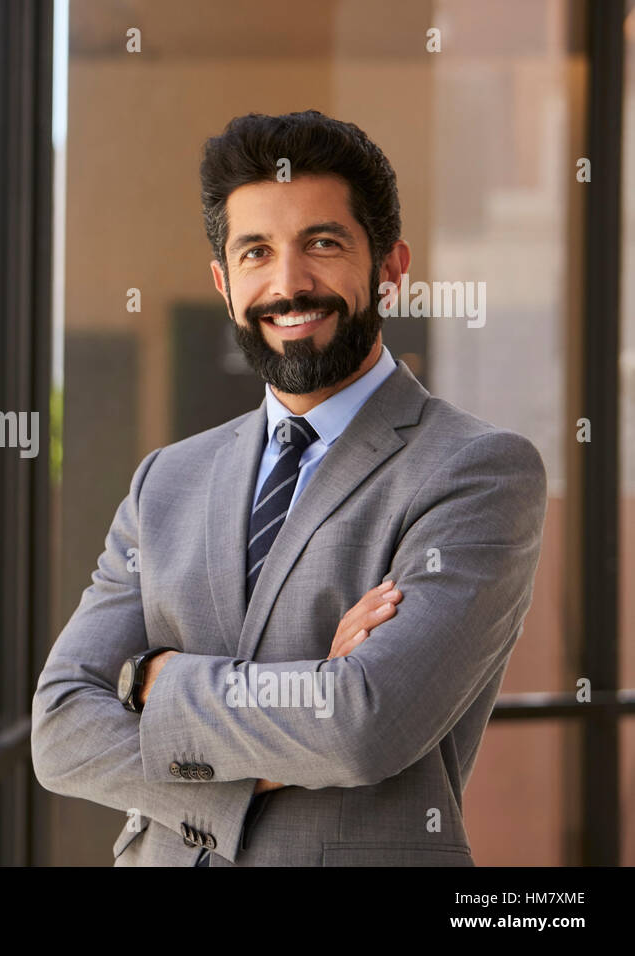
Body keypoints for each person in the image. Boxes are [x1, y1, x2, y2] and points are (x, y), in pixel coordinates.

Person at [30, 110, 548, 866]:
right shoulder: (165, 482)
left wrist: (151, 681)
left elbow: (366, 725)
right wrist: (311, 693)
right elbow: (61, 729)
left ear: (391, 267)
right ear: (224, 283)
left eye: (323, 244)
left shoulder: (477, 470)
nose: (288, 283)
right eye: (256, 253)